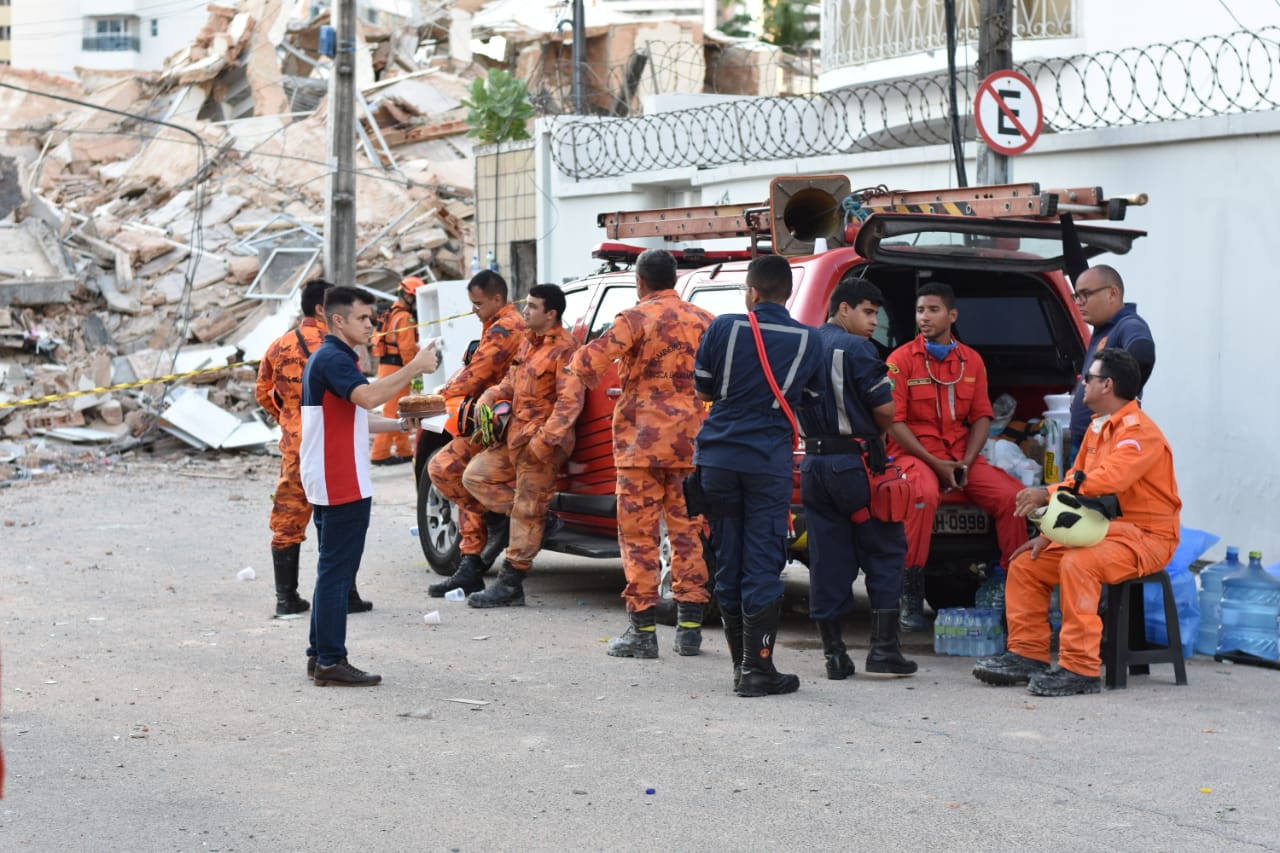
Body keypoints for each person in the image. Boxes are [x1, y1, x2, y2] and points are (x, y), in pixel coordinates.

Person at [973, 348, 1180, 696]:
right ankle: (1027, 654)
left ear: (1107, 385)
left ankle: (1080, 668)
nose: (1082, 384)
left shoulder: (1139, 433)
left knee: (1078, 563)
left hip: (1147, 537)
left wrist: (1045, 493)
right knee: (1027, 563)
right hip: (1104, 531)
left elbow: (1106, 481)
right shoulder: (1098, 428)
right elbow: (1076, 488)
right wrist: (1049, 535)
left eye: (1089, 379)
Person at [550, 249, 715, 659]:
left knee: (639, 538)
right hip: (692, 445)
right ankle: (690, 630)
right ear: (673, 279)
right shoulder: (705, 320)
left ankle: (642, 633)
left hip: (641, 446)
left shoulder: (634, 318)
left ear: (640, 282)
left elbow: (586, 363)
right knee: (688, 532)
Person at [693, 254, 826, 697]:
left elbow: (702, 387)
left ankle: (741, 666)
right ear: (788, 293)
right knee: (763, 561)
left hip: (718, 459)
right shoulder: (809, 340)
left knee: (727, 558)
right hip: (767, 463)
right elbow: (810, 398)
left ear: (751, 291)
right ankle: (757, 668)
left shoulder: (723, 328)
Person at [299, 286, 439, 686]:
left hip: (332, 474)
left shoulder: (332, 357)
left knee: (332, 569)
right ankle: (330, 660)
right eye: (362, 318)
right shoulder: (334, 357)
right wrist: (414, 366)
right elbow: (368, 396)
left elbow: (355, 415)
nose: (370, 324)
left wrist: (398, 424)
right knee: (337, 572)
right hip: (338, 476)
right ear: (338, 320)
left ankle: (319, 655)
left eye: (371, 317)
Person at [885, 282, 1026, 633]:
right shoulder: (900, 360)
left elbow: (982, 417)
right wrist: (937, 465)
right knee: (922, 495)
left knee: (1014, 498)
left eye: (933, 310)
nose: (924, 317)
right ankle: (909, 595)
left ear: (952, 315)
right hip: (915, 455)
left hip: (962, 456)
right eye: (920, 310)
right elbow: (893, 423)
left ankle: (1019, 593)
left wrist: (966, 462)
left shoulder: (971, 361)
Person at [799, 280, 916, 679]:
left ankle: (834, 655)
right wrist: (876, 435)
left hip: (813, 465)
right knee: (885, 549)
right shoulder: (858, 349)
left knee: (827, 558)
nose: (873, 322)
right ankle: (883, 650)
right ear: (844, 309)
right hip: (856, 465)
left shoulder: (803, 344)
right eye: (868, 312)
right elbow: (885, 410)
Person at [460, 284, 580, 608]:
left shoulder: (566, 348)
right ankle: (541, 521)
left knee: (528, 509)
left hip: (542, 446)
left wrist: (543, 441)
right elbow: (510, 382)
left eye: (532, 306)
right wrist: (490, 395)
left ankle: (511, 583)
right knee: (474, 476)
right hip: (515, 439)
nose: (524, 311)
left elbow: (569, 403)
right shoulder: (529, 342)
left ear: (550, 314)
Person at [427, 270, 527, 598]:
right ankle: (470, 561)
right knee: (452, 472)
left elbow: (476, 374)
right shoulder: (495, 325)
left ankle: (496, 521)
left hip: (504, 426)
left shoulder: (506, 327)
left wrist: (438, 395)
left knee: (446, 469)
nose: (473, 310)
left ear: (497, 299)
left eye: (478, 304)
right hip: (486, 424)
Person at [255, 278, 332, 619]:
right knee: (337, 518)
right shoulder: (335, 346)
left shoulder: (279, 345)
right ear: (321, 309)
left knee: (288, 516)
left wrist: (287, 418)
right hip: (332, 443)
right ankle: (344, 594)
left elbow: (262, 391)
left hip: (296, 445)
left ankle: (286, 598)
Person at [1068, 265, 1156, 460]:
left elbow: (1143, 352)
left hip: (1106, 444)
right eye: (1077, 296)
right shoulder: (1103, 327)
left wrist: (1120, 397)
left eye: (1085, 295)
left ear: (1112, 294)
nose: (1079, 302)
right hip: (1088, 441)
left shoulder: (1128, 324)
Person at [370, 276, 422, 466]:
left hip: (387, 366)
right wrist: (413, 371)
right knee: (393, 412)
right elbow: (407, 349)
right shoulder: (405, 318)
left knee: (400, 411)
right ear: (409, 296)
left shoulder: (389, 313)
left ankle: (404, 451)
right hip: (398, 367)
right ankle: (379, 454)